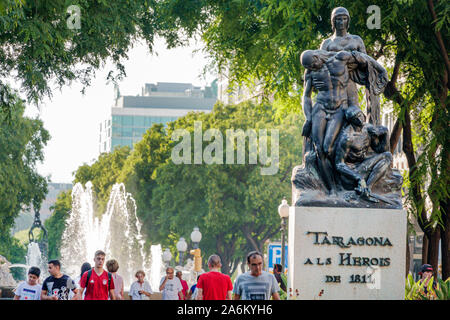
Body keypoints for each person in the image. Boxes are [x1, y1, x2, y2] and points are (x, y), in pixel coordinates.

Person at [301, 48, 387, 195]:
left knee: (328, 148)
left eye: (312, 65)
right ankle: (331, 191)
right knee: (319, 150)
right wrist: (308, 117)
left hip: (339, 108)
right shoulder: (310, 71)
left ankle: (341, 186)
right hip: (320, 108)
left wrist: (381, 70)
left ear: (316, 57)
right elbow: (306, 96)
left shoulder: (341, 58)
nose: (312, 69)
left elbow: (364, 59)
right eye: (309, 68)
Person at [334, 105, 394, 204]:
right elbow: (339, 164)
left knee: (387, 156)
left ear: (363, 114)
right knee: (387, 156)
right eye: (355, 118)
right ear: (351, 121)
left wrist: (385, 134)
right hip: (351, 174)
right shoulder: (347, 137)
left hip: (363, 167)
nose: (359, 119)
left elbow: (380, 150)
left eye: (360, 115)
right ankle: (365, 189)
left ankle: (367, 189)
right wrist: (357, 177)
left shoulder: (368, 129)